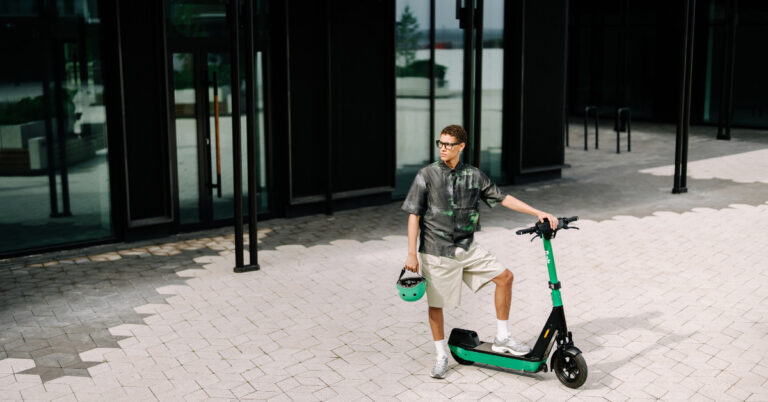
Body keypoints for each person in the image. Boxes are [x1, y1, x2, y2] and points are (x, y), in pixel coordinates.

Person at [401, 124, 558, 379]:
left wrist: (537, 212)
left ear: (461, 146)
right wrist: (411, 253)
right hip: (436, 250)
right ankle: (441, 355)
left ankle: (503, 337)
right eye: (440, 143)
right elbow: (413, 216)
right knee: (437, 304)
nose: (443, 148)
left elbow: (503, 198)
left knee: (505, 277)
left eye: (448, 144)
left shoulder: (474, 175)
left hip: (467, 247)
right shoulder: (426, 175)